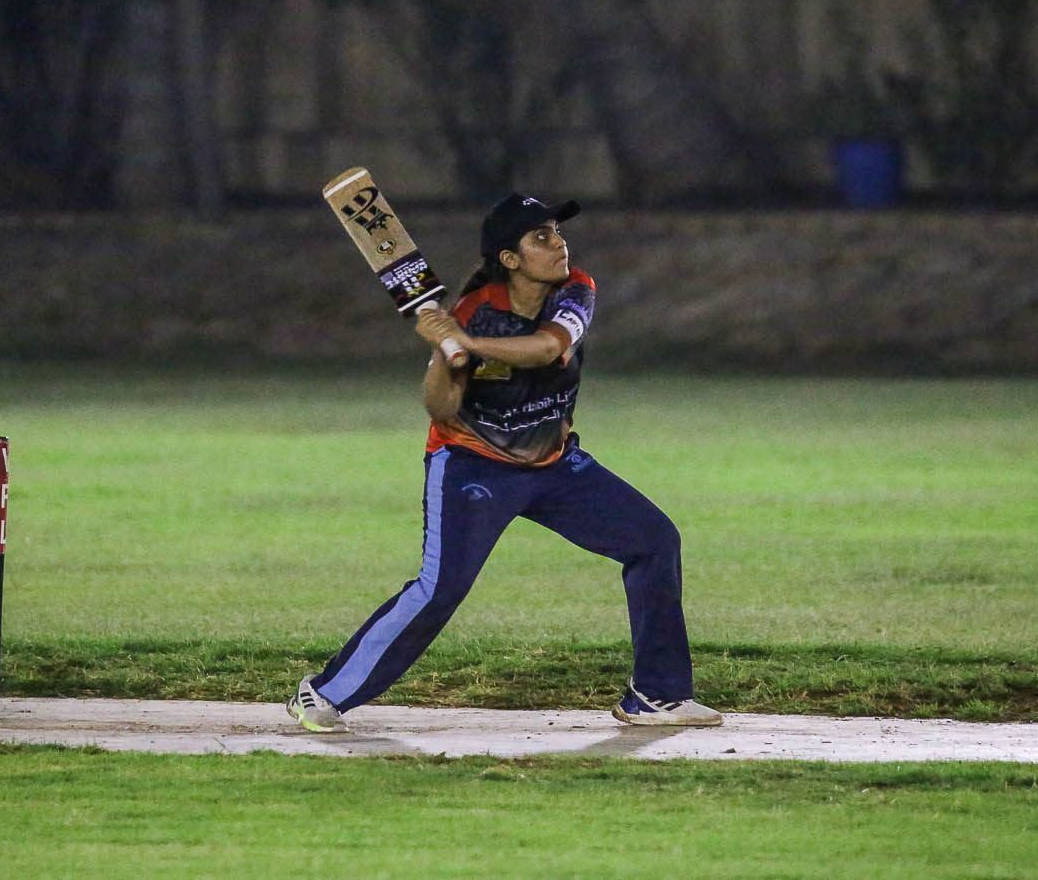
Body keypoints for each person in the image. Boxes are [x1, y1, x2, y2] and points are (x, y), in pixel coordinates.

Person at [288, 192, 721, 731]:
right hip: (473, 465)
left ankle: (657, 695)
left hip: (554, 465)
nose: (559, 244)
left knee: (654, 540)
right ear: (510, 259)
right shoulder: (474, 312)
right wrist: (445, 353)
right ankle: (324, 692)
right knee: (440, 589)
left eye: (557, 232)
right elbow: (441, 408)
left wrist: (466, 342)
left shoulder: (575, 289)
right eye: (541, 237)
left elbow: (548, 348)